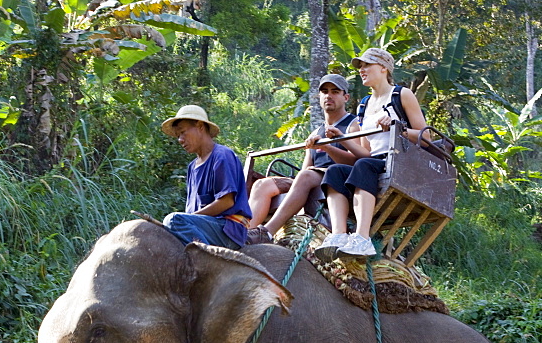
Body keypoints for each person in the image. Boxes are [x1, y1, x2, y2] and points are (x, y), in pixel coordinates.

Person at [319, 47, 428, 257]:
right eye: (360, 66)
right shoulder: (363, 106)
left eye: (367, 65)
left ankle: (362, 237)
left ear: (384, 68)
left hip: (399, 161)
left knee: (364, 166)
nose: (362, 69)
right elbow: (366, 153)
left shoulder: (401, 94)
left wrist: (398, 127)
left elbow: (426, 138)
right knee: (335, 172)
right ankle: (339, 234)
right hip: (374, 162)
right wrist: (339, 140)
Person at [246, 74, 357, 244]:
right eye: (325, 92)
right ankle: (246, 233)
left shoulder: (353, 125)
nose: (329, 96)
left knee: (307, 175)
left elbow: (356, 162)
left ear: (345, 97)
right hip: (311, 177)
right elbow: (305, 169)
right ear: (319, 97)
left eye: (335, 92)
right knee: (263, 184)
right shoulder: (315, 133)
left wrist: (327, 147)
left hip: (337, 177)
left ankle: (267, 232)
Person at [161, 104, 252, 249]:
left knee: (173, 220)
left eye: (183, 132)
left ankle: (206, 258)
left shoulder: (222, 156)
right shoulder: (192, 167)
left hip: (227, 229)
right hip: (204, 227)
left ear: (200, 126)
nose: (180, 140)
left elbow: (226, 202)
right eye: (178, 136)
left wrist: (189, 219)